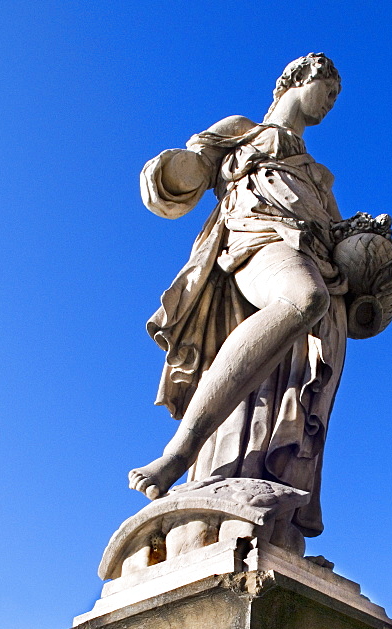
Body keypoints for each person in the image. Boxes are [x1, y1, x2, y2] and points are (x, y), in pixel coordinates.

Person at [130, 54, 350, 550]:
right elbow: (189, 174)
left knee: (285, 388)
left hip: (315, 258)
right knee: (303, 299)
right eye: (328, 89)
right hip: (259, 237)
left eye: (336, 98)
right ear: (296, 79)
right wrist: (181, 167)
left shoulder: (321, 174)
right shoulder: (245, 130)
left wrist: (372, 253)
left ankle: (267, 519)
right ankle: (179, 450)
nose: (331, 103)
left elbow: (338, 242)